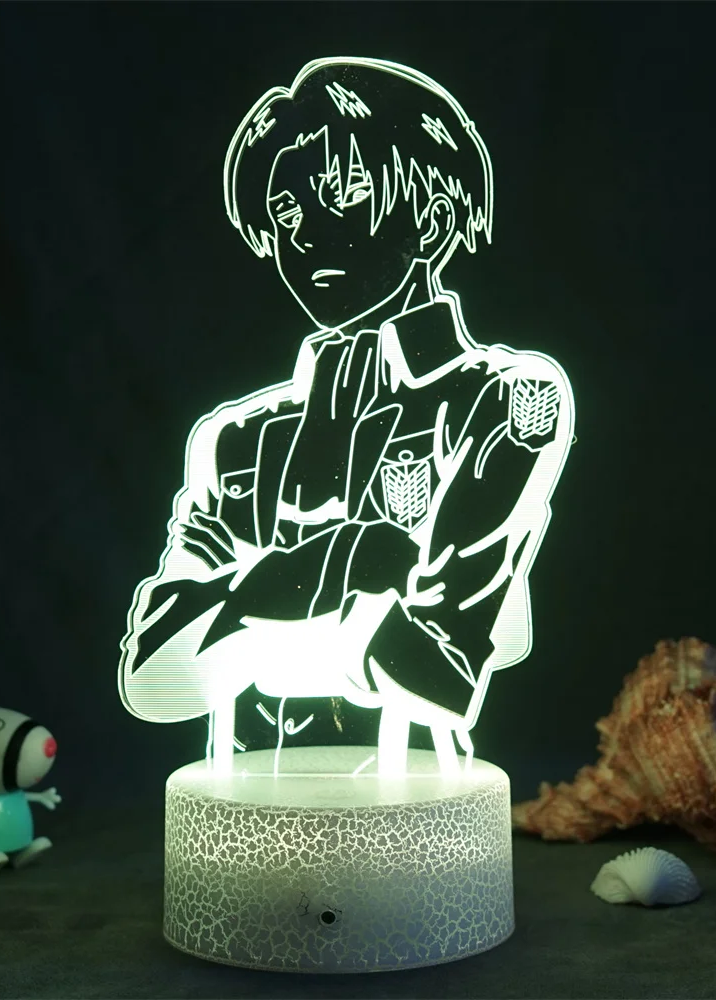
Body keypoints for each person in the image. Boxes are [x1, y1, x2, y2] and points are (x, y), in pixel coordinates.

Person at [118, 58, 575, 775]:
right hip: (248, 800)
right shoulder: (234, 440)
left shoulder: (507, 396)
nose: (306, 235)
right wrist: (356, 559)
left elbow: (438, 663)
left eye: (345, 193)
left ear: (434, 218)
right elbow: (155, 676)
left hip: (417, 805)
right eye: (286, 212)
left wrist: (243, 605)